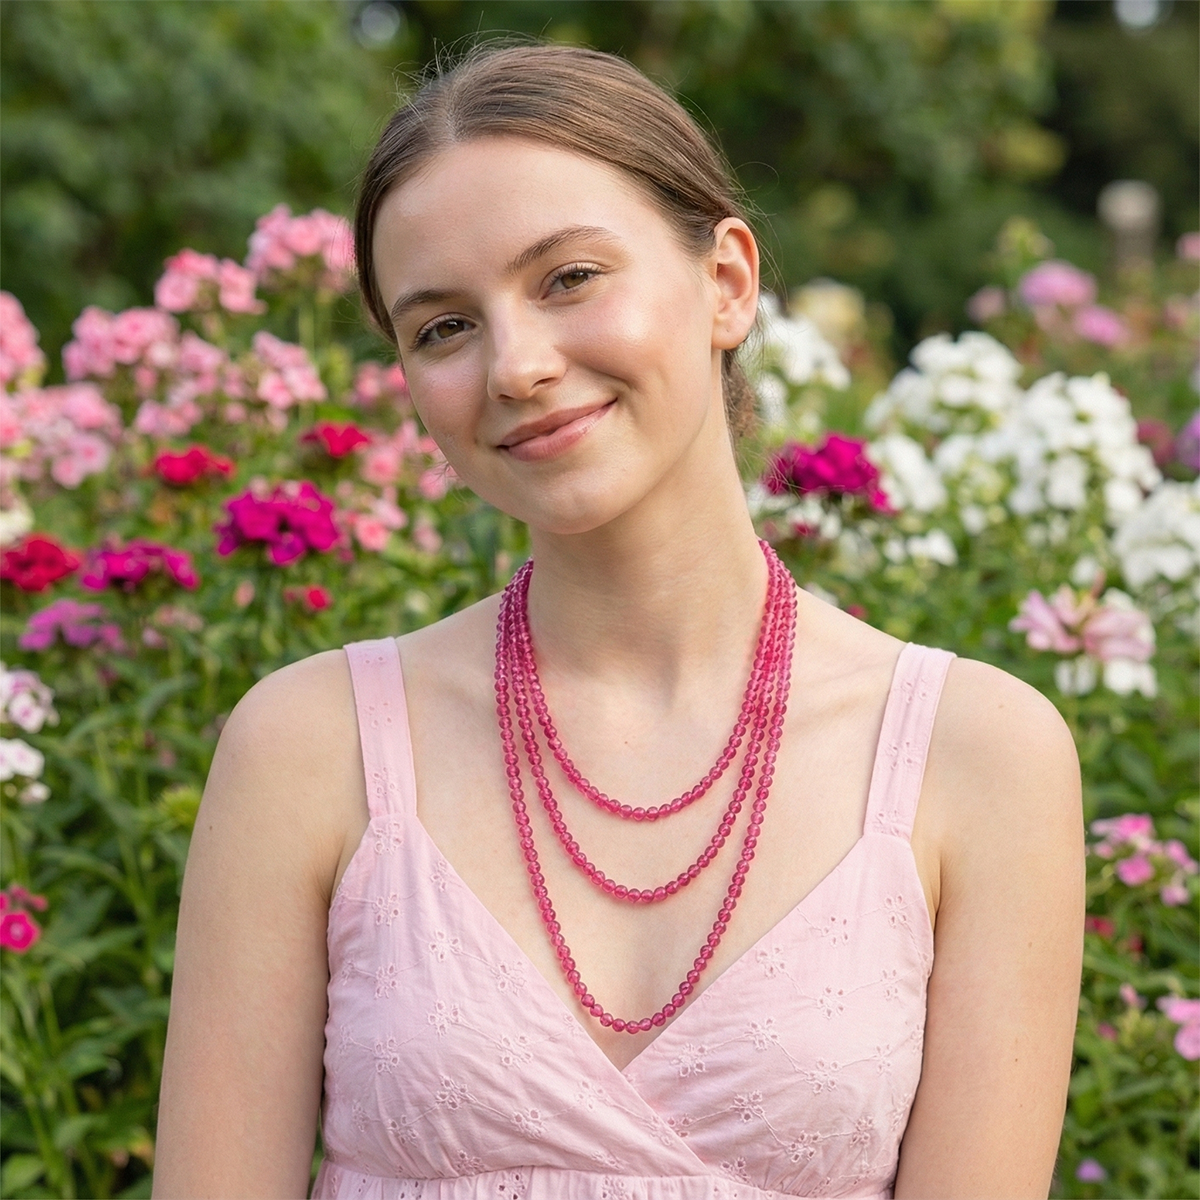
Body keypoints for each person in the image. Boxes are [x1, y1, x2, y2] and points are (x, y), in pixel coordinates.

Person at [153, 43, 1084, 1200]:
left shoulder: (979, 755)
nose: (518, 366)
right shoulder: (307, 749)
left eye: (568, 278)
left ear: (727, 282)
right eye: (442, 328)